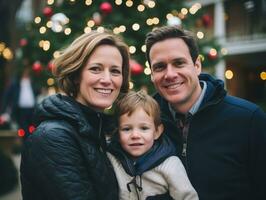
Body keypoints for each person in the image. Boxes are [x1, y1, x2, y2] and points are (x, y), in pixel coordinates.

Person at [145, 25, 266, 200]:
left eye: (179, 63)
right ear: (152, 75)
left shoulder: (249, 119)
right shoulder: (143, 125)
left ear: (197, 66)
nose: (170, 74)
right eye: (160, 67)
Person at [20, 30, 130, 200]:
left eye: (115, 71)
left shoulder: (100, 130)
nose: (107, 79)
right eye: (96, 69)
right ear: (76, 74)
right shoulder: (53, 137)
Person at [107, 90, 198, 200]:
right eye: (127, 129)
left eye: (144, 128)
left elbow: (188, 197)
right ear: (118, 132)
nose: (135, 135)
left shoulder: (169, 164)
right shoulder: (112, 160)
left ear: (157, 132)